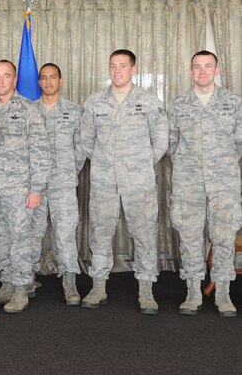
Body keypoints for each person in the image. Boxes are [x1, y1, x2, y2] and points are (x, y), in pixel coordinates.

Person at [80, 49, 168, 314]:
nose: (116, 71)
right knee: (100, 232)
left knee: (144, 234)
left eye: (122, 66)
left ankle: (146, 289)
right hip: (104, 181)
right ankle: (98, 287)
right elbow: (86, 141)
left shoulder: (149, 101)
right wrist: (107, 163)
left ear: (133, 69)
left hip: (138, 182)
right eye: (112, 66)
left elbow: (161, 141)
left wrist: (138, 163)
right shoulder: (95, 102)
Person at [169, 51, 242, 317]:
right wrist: (191, 166)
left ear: (217, 70)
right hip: (188, 182)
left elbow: (239, 142)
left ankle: (223, 292)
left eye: (207, 66)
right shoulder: (178, 104)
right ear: (190, 72)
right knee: (189, 237)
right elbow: (172, 142)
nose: (202, 71)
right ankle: (192, 290)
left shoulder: (233, 103)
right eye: (197, 67)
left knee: (223, 236)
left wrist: (218, 164)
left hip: (224, 182)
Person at [0, 60, 50, 314]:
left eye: (7, 76)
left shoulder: (27, 109)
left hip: (20, 188)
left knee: (20, 240)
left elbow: (40, 150)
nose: (1, 81)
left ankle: (23, 289)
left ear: (15, 80)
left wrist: (36, 188)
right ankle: (7, 283)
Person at [31, 63, 86, 305]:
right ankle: (26, 279)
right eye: (44, 78)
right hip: (35, 185)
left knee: (65, 234)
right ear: (39, 82)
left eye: (53, 77)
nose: (48, 82)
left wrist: (68, 171)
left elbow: (81, 147)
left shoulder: (74, 111)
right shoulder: (29, 111)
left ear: (60, 81)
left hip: (63, 183)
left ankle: (70, 282)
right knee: (31, 233)